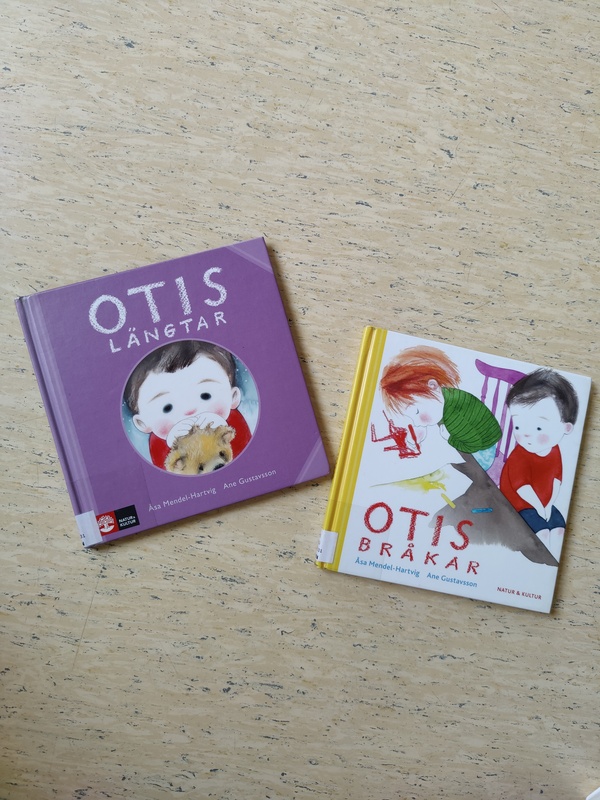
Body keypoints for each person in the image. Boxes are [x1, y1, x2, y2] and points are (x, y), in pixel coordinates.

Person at [124, 340, 252, 469]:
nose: (190, 410)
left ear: (233, 397)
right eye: (167, 408)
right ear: (142, 423)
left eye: (205, 395)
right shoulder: (159, 445)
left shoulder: (234, 425)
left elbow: (245, 459)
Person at [379, 345, 501, 469]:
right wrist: (420, 431)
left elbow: (473, 445)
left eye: (417, 412)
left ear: (432, 386)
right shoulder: (444, 397)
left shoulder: (455, 417)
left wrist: (449, 439)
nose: (416, 422)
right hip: (468, 436)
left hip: (483, 452)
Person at [500, 368, 579, 560]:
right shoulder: (519, 456)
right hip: (518, 503)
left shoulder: (555, 450)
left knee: (559, 528)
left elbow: (556, 480)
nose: (526, 433)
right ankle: (537, 563)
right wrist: (540, 508)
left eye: (538, 427)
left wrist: (549, 505)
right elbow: (522, 488)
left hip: (543, 502)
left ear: (566, 428)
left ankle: (552, 559)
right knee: (541, 532)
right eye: (518, 426)